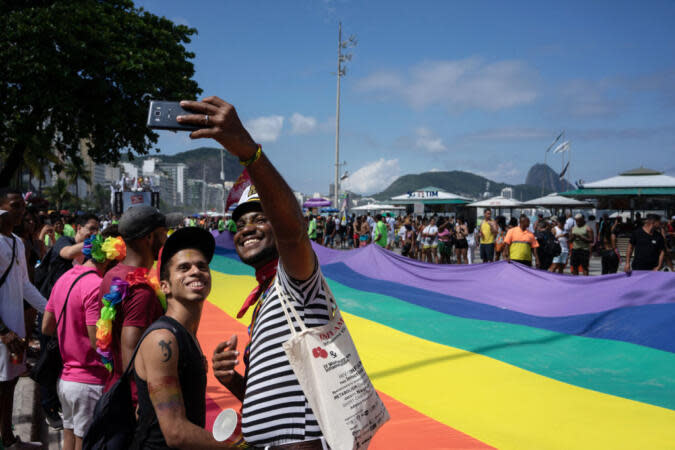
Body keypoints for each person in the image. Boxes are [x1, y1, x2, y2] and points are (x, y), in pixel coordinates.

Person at [178, 96, 332, 447]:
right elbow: (275, 405)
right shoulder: (266, 296)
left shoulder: (295, 280)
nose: (246, 228)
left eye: (260, 218)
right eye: (240, 222)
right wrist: (231, 379)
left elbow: (293, 231)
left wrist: (249, 151)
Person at [130, 227, 231, 449]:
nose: (196, 271)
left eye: (202, 266)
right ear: (165, 286)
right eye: (184, 268)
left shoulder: (185, 336)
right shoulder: (163, 340)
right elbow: (175, 433)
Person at [41, 232, 124, 450]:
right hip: (89, 380)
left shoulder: (64, 278)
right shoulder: (95, 286)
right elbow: (98, 342)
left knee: (69, 437)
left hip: (67, 379)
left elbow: (46, 327)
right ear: (109, 257)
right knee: (85, 442)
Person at [96, 206, 167, 398]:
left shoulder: (112, 274)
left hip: (115, 384)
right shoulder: (140, 291)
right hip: (135, 399)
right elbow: (131, 354)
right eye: (163, 234)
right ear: (149, 238)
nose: (166, 241)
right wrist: (140, 404)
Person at [0, 188, 47, 449]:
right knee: (2, 383)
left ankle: (8, 438)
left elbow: (26, 286)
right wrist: (3, 331)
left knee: (11, 382)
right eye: (14, 206)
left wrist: (52, 309)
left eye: (21, 206)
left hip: (17, 331)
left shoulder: (18, 243)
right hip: (4, 333)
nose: (21, 212)